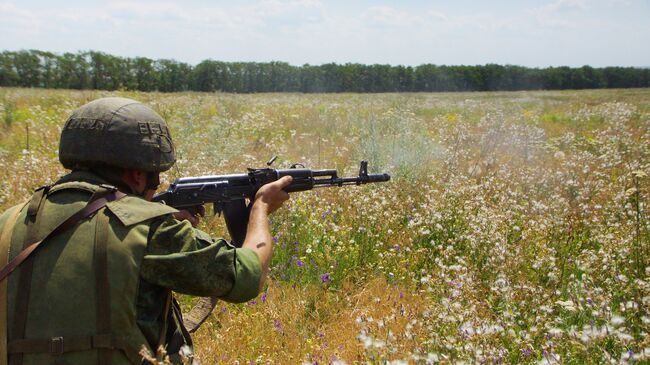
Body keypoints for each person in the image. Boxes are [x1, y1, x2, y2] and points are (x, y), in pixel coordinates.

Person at [0, 97, 291, 364]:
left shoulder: (9, 222)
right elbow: (248, 276)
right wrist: (261, 208)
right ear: (138, 174)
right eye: (156, 178)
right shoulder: (149, 228)